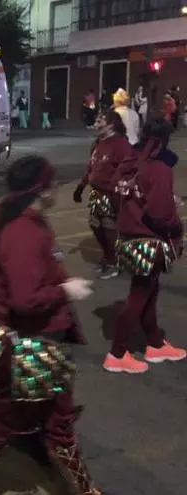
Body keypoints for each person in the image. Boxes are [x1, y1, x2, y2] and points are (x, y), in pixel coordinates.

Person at [0, 155, 102, 495]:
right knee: (24, 420)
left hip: (19, 336)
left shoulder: (11, 217)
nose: (57, 190)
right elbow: (24, 299)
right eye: (53, 184)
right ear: (42, 190)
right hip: (29, 340)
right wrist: (66, 289)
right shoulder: (23, 232)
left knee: (30, 416)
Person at [104, 118, 186, 373]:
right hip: (148, 238)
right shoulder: (159, 167)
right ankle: (117, 352)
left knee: (148, 290)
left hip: (129, 234)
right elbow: (161, 213)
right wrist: (176, 228)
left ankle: (155, 343)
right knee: (139, 295)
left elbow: (117, 191)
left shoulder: (130, 163)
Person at [73, 111, 133, 280]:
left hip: (111, 193)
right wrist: (81, 186)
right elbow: (91, 167)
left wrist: (119, 188)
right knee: (95, 225)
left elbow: (130, 169)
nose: (96, 123)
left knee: (109, 227)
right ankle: (108, 256)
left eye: (101, 121)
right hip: (97, 192)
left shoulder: (121, 145)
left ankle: (114, 262)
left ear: (111, 124)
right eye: (97, 120)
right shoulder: (98, 143)